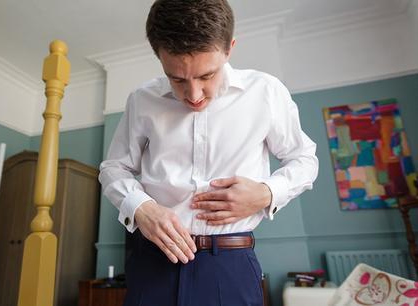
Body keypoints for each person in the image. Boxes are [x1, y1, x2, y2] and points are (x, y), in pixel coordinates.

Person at [99, 0, 318, 305]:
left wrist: (267, 193)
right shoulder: (142, 99)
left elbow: (305, 159)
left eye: (206, 76)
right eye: (177, 79)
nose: (194, 95)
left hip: (230, 263)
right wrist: (141, 208)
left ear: (229, 48)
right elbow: (113, 168)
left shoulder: (266, 92)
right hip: (152, 261)